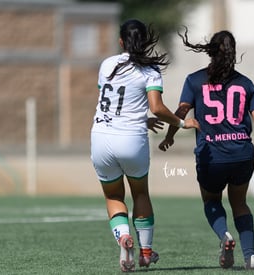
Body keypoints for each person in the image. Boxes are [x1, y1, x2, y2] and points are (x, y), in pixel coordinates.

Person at [158, 28, 254, 270]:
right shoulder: (245, 83)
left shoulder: (194, 80)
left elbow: (181, 112)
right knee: (240, 203)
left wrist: (170, 135)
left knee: (211, 200)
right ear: (234, 53)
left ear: (210, 51)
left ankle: (224, 235)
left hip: (211, 156)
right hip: (242, 154)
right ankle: (251, 255)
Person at [90, 19, 200, 272]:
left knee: (114, 196)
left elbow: (116, 103)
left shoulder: (107, 64)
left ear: (120, 41)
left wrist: (142, 117)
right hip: (132, 139)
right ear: (145, 41)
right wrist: (183, 124)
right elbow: (157, 107)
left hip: (101, 138)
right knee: (140, 193)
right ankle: (146, 253)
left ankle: (123, 239)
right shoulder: (150, 71)